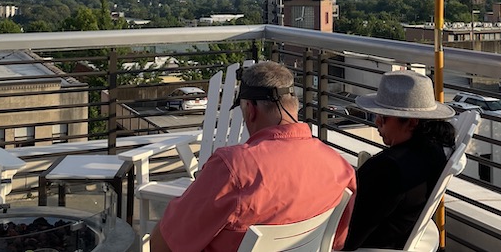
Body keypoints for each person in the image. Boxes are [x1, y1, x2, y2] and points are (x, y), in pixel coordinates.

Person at [151, 60, 357, 252]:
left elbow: (163, 244)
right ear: (294, 105)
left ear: (250, 110)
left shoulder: (232, 168)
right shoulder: (339, 168)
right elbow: (338, 241)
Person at [343, 70, 456, 250]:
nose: (377, 121)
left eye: (384, 116)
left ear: (411, 122)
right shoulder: (434, 152)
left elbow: (349, 237)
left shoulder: (389, 169)